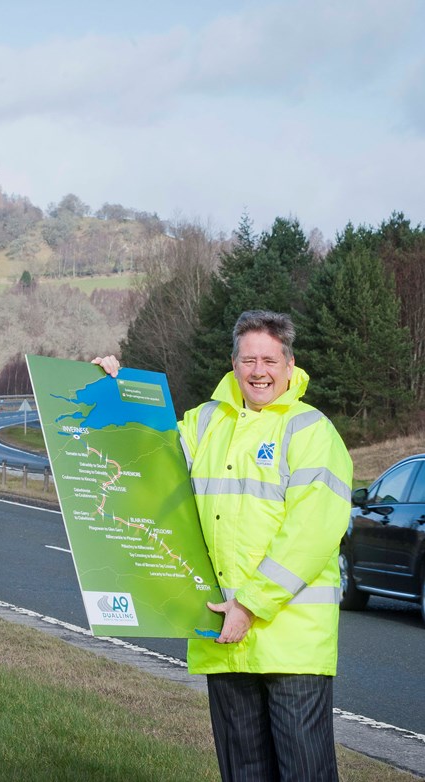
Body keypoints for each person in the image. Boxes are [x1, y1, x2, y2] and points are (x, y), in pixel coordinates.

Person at [94, 309, 352, 782]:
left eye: (270, 361)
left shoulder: (312, 431)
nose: (259, 372)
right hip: (223, 632)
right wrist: (117, 389)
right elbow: (148, 458)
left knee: (305, 773)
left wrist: (251, 605)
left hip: (289, 640)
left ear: (290, 365)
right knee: (243, 773)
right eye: (249, 359)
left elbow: (312, 531)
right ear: (232, 363)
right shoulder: (204, 422)